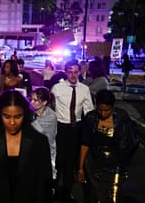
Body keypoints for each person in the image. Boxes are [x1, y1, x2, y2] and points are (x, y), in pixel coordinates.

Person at [0, 90, 53, 203]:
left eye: (18, 116)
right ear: (0, 113)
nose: (12, 122)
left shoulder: (39, 142)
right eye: (7, 117)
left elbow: (44, 184)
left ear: (25, 114)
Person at [78, 89, 139, 203]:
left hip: (116, 165)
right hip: (95, 164)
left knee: (113, 197)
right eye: (100, 110)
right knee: (96, 196)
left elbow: (130, 143)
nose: (103, 113)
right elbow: (85, 143)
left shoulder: (122, 117)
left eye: (107, 110)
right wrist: (81, 168)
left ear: (112, 107)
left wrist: (123, 162)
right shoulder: (91, 118)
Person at [51, 60, 94, 202]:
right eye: (70, 71)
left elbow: (88, 111)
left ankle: (67, 192)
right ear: (65, 71)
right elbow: (50, 107)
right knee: (58, 161)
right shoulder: (57, 88)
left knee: (71, 162)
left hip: (76, 129)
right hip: (60, 127)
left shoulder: (84, 89)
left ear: (80, 72)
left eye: (76, 72)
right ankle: (55, 189)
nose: (73, 75)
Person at [30, 87, 58, 185]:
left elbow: (45, 136)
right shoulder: (29, 114)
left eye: (36, 100)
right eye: (31, 99)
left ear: (45, 102)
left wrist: (32, 120)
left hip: (46, 153)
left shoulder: (51, 116)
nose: (32, 102)